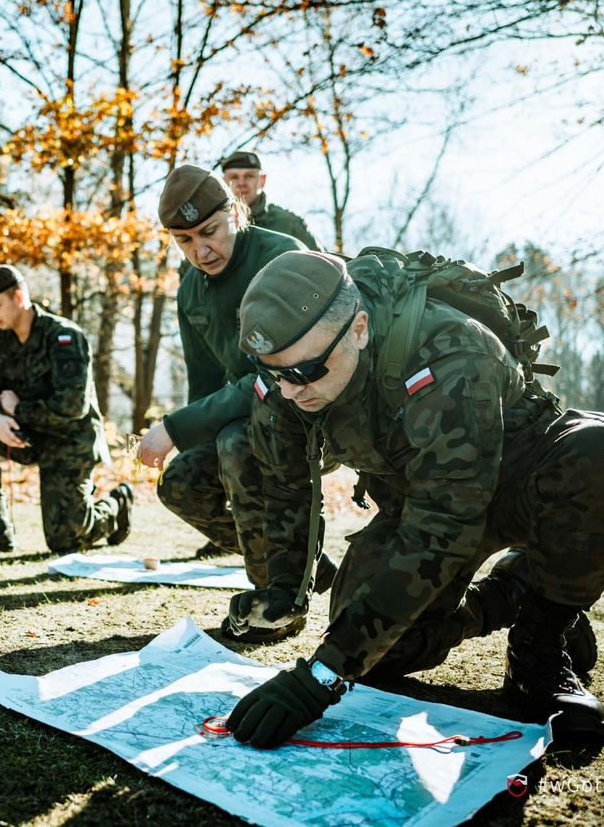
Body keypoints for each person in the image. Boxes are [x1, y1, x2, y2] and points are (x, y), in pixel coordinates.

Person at [225, 249, 604, 748]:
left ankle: (541, 639)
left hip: (524, 481)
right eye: (273, 371)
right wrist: (282, 593)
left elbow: (447, 523)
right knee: (380, 650)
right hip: (420, 499)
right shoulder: (286, 381)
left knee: (595, 455)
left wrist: (322, 677)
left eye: (307, 372)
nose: (290, 391)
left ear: (359, 329)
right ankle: (511, 593)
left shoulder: (449, 350)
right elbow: (286, 488)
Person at [136, 164, 335, 640]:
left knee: (234, 443)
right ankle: (301, 558)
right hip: (243, 417)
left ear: (237, 213)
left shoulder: (281, 256)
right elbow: (205, 383)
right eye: (183, 241)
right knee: (181, 482)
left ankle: (275, 602)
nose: (200, 250)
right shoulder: (190, 289)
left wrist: (175, 427)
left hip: (312, 411)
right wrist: (186, 440)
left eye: (209, 232)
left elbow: (275, 374)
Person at [0, 264, 132, 555]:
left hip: (70, 440)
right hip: (28, 436)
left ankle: (116, 505)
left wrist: (17, 408)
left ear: (19, 297)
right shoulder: (0, 341)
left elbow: (72, 406)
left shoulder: (63, 336)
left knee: (65, 541)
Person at [220, 150, 326, 252]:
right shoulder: (214, 224)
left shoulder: (288, 223)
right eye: (234, 177)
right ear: (223, 182)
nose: (241, 183)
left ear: (262, 180)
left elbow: (325, 264)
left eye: (249, 176)